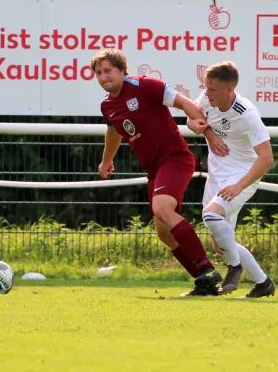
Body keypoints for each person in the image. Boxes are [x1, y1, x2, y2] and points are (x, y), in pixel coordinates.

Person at [91, 48, 223, 296]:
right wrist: (106, 161)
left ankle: (206, 266)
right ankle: (204, 282)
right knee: (163, 232)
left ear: (121, 70)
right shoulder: (107, 105)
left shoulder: (145, 86)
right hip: (155, 169)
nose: (103, 76)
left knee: (162, 209)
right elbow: (113, 133)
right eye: (98, 73)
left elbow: (185, 104)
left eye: (108, 71)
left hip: (175, 159)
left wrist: (208, 133)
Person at [187, 60, 276, 298]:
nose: (206, 93)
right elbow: (191, 117)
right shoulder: (208, 98)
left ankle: (234, 268)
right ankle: (263, 282)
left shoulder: (247, 114)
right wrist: (208, 132)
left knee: (211, 215)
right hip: (216, 176)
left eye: (212, 89)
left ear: (229, 90)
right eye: (206, 87)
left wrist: (238, 186)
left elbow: (266, 158)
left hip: (241, 178)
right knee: (221, 245)